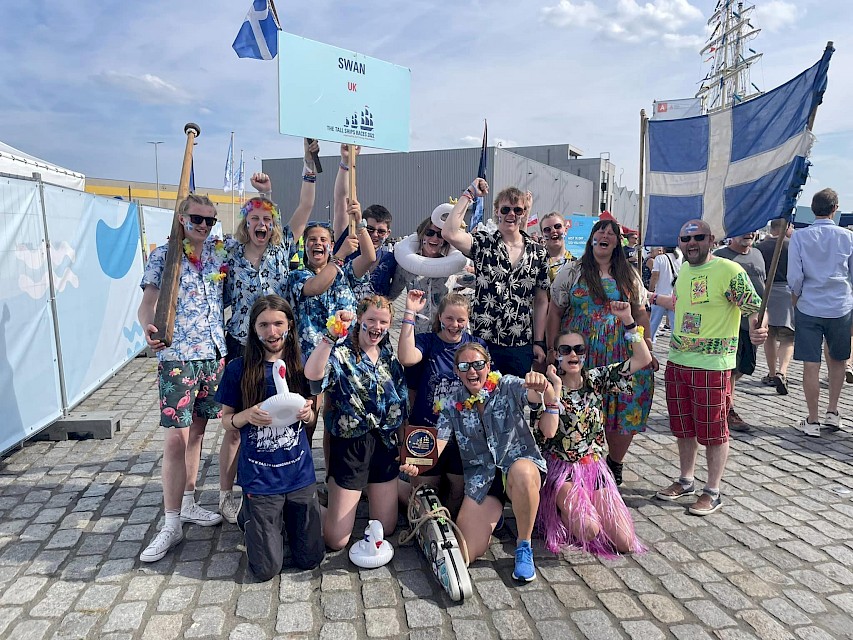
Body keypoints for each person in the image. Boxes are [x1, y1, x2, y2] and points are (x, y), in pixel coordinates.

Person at [218, 140, 318, 524]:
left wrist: (309, 164)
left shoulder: (282, 250)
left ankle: (292, 476)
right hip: (242, 346)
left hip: (278, 345)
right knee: (237, 424)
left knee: (282, 415)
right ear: (246, 224)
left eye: (267, 220)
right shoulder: (229, 254)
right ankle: (228, 493)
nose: (262, 225)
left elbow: (306, 206)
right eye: (255, 219)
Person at [407, 343, 557, 582]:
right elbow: (440, 442)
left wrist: (544, 386)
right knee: (466, 552)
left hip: (517, 465)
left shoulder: (506, 385)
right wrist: (418, 463)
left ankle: (523, 545)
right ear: (456, 371)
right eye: (464, 366)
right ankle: (494, 518)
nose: (472, 371)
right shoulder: (451, 403)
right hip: (482, 480)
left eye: (478, 364)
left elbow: (534, 395)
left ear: (488, 366)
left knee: (524, 474)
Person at [652, 219, 766, 516]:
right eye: (685, 238)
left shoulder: (729, 270)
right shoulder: (686, 269)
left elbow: (753, 307)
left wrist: (758, 330)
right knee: (683, 427)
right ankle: (686, 480)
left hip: (713, 366)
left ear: (711, 239)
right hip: (678, 361)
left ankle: (713, 491)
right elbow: (680, 303)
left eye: (698, 237)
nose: (691, 243)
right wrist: (650, 297)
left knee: (714, 430)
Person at [137, 194, 227, 562]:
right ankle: (170, 522)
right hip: (177, 357)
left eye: (209, 220)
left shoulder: (218, 255)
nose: (203, 226)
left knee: (198, 434)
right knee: (175, 440)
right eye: (197, 218)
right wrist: (148, 328)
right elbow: (148, 304)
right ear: (182, 218)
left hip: (214, 353)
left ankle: (188, 502)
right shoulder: (164, 256)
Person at [215, 296, 323, 580]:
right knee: (266, 570)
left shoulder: (304, 366)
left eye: (278, 323)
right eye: (264, 325)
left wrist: (308, 415)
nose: (272, 332)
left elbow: (312, 419)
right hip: (261, 478)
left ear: (290, 325)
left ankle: (282, 518)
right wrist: (246, 415)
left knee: (310, 560)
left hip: (299, 474)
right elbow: (227, 421)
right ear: (253, 329)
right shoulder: (238, 369)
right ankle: (249, 512)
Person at [536, 300, 651, 556]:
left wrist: (629, 321)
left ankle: (588, 504)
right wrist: (554, 390)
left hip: (594, 466)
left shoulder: (596, 379)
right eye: (565, 350)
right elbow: (547, 433)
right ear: (556, 354)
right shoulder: (545, 387)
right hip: (561, 469)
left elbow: (643, 359)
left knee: (624, 543)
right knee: (588, 529)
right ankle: (557, 510)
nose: (573, 355)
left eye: (579, 349)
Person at [546, 219, 654, 486]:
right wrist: (551, 349)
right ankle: (579, 459)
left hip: (622, 351)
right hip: (580, 353)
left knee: (624, 407)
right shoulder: (572, 272)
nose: (605, 235)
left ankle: (615, 463)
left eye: (611, 233)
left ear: (617, 243)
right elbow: (555, 311)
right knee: (579, 408)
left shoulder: (629, 274)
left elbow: (640, 311)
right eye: (600, 231)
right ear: (591, 238)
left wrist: (647, 344)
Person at [304, 296, 409, 550]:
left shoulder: (389, 358)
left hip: (384, 445)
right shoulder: (341, 353)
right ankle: (298, 501)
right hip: (352, 445)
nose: (377, 326)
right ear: (359, 319)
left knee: (387, 526)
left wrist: (406, 449)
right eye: (371, 319)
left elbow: (402, 405)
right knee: (336, 540)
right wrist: (330, 336)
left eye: (383, 321)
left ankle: (387, 491)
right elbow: (312, 375)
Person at [288, 200, 375, 453]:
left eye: (323, 239)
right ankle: (300, 469)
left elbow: (369, 258)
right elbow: (316, 286)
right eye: (312, 239)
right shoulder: (298, 275)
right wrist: (339, 256)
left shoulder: (345, 272)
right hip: (312, 359)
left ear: (330, 243)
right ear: (305, 246)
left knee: (335, 420)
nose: (318, 243)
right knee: (309, 417)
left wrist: (360, 225)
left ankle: (330, 477)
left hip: (345, 357)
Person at [442, 178, 550, 377]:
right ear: (497, 212)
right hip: (484, 341)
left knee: (516, 403)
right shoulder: (483, 244)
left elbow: (541, 301)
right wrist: (470, 193)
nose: (511, 214)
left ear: (524, 213)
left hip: (520, 342)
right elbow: (449, 232)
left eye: (517, 210)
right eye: (505, 209)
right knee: (480, 400)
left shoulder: (539, 253)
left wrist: (539, 341)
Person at [397, 291, 485, 515]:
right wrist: (409, 312)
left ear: (467, 321)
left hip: (460, 432)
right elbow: (406, 358)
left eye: (460, 320)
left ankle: (449, 520)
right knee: (426, 492)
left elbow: (487, 386)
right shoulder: (428, 341)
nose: (454, 325)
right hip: (427, 430)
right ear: (439, 318)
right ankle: (389, 485)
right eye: (449, 318)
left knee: (458, 488)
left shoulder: (476, 345)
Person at [788, 188, 853, 436]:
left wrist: (797, 298)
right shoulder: (847, 236)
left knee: (811, 364)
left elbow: (795, 276)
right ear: (835, 208)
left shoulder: (800, 237)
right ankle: (833, 412)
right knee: (838, 361)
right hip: (840, 305)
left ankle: (813, 419)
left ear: (813, 209)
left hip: (809, 305)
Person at [713, 232, 766, 430]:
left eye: (752, 230)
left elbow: (762, 286)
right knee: (731, 369)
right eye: (745, 230)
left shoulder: (758, 254)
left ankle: (723, 402)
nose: (749, 234)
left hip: (752, 323)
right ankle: (727, 409)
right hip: (728, 324)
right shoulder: (720, 256)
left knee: (745, 367)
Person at [333, 145, 399, 301]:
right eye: (369, 229)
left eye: (381, 231)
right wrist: (346, 162)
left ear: (388, 233)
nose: (375, 235)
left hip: (374, 322)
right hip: (343, 319)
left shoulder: (391, 258)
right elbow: (341, 199)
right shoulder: (349, 242)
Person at [393, 213, 474, 334]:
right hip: (417, 333)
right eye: (429, 233)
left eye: (440, 234)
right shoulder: (406, 266)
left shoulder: (452, 266)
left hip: (446, 333)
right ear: (422, 236)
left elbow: (478, 283)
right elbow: (392, 294)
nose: (435, 239)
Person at [755, 219, 795, 395]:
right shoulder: (792, 246)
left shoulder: (759, 247)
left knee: (769, 334)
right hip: (787, 292)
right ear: (786, 227)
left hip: (766, 292)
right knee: (788, 336)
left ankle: (771, 373)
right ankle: (782, 371)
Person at [649, 247, 681, 343]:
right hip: (674, 295)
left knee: (654, 323)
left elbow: (655, 275)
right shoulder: (679, 257)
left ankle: (650, 342)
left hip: (660, 295)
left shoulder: (660, 258)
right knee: (675, 324)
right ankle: (676, 344)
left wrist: (651, 290)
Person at [539, 211, 574, 282]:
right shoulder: (536, 263)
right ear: (542, 234)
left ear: (566, 229)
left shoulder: (576, 265)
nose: (553, 231)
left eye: (558, 226)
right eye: (547, 229)